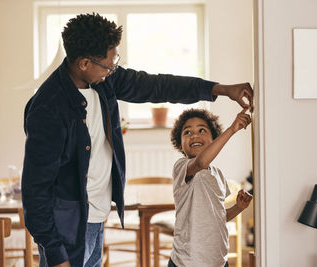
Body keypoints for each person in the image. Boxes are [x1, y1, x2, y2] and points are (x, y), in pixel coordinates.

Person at [21, 13, 253, 267]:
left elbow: (157, 86)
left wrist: (220, 89)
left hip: (98, 218)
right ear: (85, 63)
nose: (113, 70)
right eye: (109, 65)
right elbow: (35, 192)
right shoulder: (47, 109)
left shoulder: (103, 80)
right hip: (68, 228)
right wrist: (55, 254)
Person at [169, 108, 253, 267]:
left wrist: (238, 207)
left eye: (202, 130)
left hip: (218, 260)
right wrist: (232, 129)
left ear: (213, 139)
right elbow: (200, 163)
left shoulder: (218, 175)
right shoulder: (182, 167)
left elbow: (218, 217)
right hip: (187, 261)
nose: (194, 135)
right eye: (187, 132)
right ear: (180, 145)